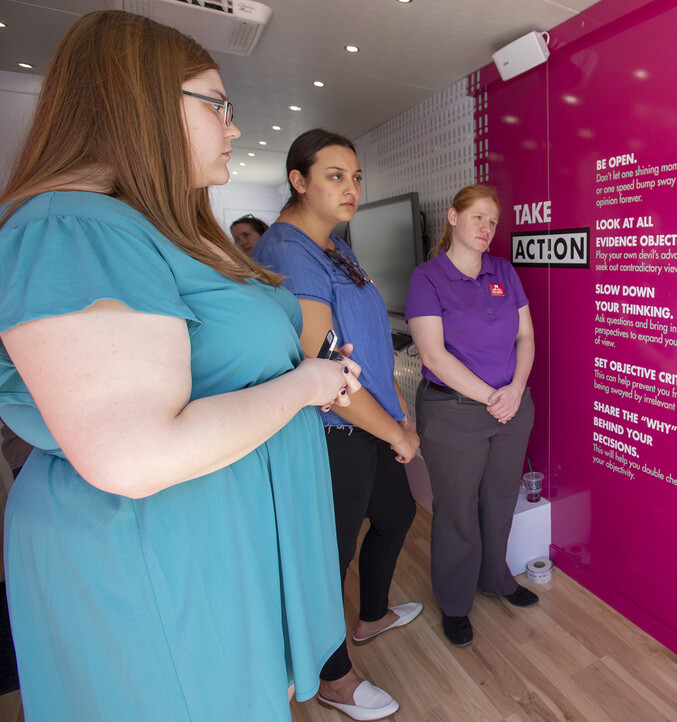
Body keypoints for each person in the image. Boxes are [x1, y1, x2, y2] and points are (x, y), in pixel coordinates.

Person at [0, 11, 366, 720]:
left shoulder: (147, 228)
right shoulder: (70, 229)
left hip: (209, 544)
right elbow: (134, 455)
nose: (232, 127)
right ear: (137, 101)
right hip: (159, 561)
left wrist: (298, 371)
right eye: (218, 104)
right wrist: (305, 384)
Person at [253, 129, 421, 721]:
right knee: (329, 556)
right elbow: (328, 374)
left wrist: (396, 417)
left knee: (397, 513)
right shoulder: (287, 252)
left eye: (356, 177)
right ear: (298, 181)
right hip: (331, 432)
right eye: (334, 176)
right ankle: (332, 679)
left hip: (370, 421)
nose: (351, 188)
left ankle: (371, 616)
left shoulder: (336, 246)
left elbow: (366, 344)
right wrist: (397, 431)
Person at [405, 184, 537, 647]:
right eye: (478, 217)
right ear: (453, 217)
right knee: (457, 510)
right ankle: (456, 602)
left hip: (511, 407)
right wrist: (493, 397)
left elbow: (526, 338)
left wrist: (516, 390)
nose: (486, 228)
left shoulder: (503, 270)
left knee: (500, 500)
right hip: (453, 413)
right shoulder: (428, 277)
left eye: (493, 221)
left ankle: (496, 579)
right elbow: (434, 356)